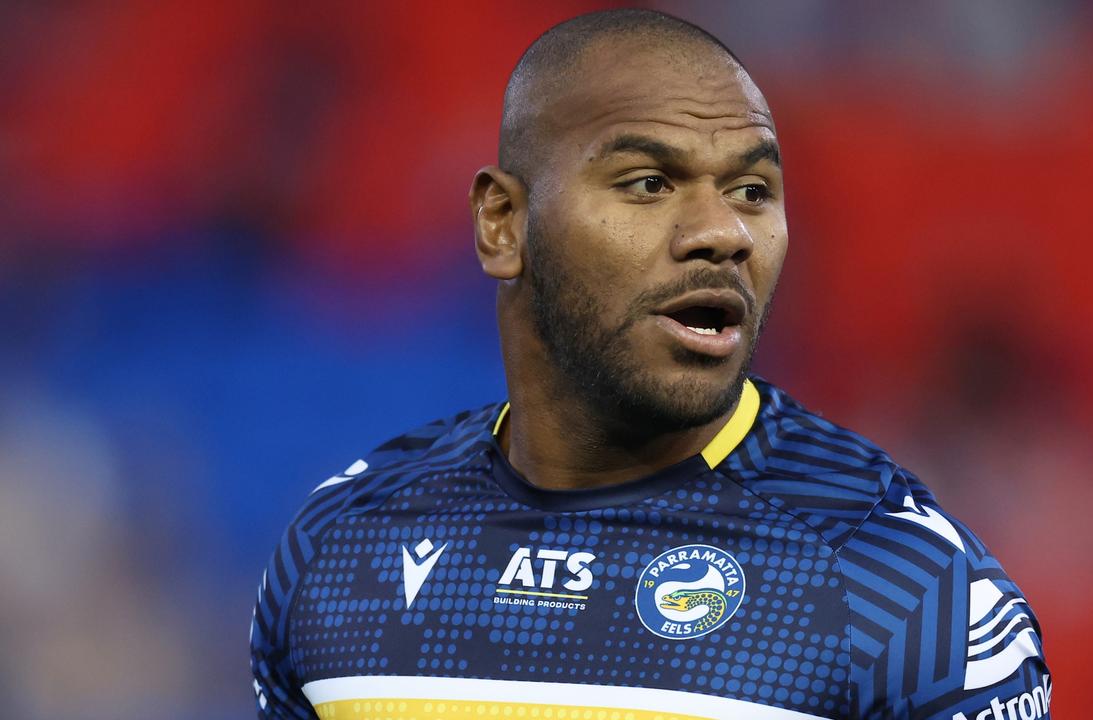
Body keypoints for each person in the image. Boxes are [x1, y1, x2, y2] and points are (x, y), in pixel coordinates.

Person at [251, 9, 1051, 720]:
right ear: (502, 222)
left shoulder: (903, 588)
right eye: (648, 182)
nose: (722, 232)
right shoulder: (339, 548)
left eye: (751, 189)